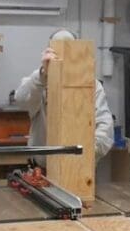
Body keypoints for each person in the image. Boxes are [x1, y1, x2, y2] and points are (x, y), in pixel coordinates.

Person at [14, 30, 114, 163]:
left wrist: (88, 153)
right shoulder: (38, 82)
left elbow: (105, 127)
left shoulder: (91, 85)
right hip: (43, 169)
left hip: (79, 169)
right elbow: (21, 100)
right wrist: (42, 74)